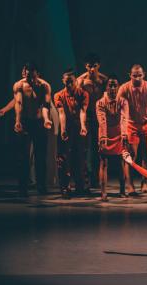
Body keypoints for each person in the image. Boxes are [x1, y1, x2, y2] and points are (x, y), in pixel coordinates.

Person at [13, 62, 52, 196]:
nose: (29, 79)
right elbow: (18, 103)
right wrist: (17, 121)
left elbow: (46, 105)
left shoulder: (44, 86)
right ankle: (22, 187)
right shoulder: (19, 85)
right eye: (27, 75)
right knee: (23, 156)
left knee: (41, 157)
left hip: (39, 123)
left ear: (37, 74)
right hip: (25, 122)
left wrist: (46, 119)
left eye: (32, 75)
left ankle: (41, 186)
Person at [118, 64, 147, 196]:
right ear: (130, 75)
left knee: (146, 156)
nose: (137, 78)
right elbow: (122, 110)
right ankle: (130, 185)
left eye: (139, 75)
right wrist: (123, 130)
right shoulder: (124, 88)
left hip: (146, 124)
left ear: (144, 74)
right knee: (130, 156)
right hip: (131, 124)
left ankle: (144, 183)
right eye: (134, 75)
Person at [54, 68, 89, 199]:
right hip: (66, 126)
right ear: (63, 81)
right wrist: (63, 130)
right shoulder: (58, 95)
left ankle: (80, 186)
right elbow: (61, 113)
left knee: (79, 156)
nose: (69, 84)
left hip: (79, 127)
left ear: (76, 81)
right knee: (63, 158)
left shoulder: (83, 93)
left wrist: (83, 126)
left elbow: (83, 111)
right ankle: (65, 187)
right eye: (67, 82)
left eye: (71, 82)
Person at [77, 53, 108, 188]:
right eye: (89, 66)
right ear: (85, 66)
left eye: (94, 66)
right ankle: (85, 179)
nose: (92, 69)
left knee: (98, 149)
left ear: (98, 65)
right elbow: (78, 101)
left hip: (99, 116)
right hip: (87, 116)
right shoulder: (81, 81)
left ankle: (96, 178)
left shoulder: (104, 80)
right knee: (84, 149)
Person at [96, 75, 129, 201]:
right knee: (103, 162)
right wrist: (103, 136)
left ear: (119, 86)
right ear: (106, 87)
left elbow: (124, 118)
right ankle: (103, 192)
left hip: (119, 132)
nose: (113, 88)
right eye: (110, 85)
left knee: (121, 162)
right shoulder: (100, 102)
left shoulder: (123, 101)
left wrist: (124, 133)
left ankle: (122, 190)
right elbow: (102, 120)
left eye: (115, 85)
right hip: (105, 132)